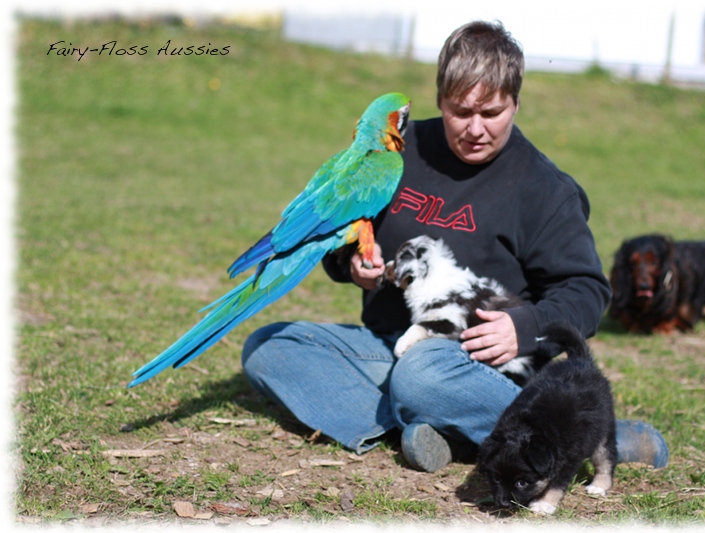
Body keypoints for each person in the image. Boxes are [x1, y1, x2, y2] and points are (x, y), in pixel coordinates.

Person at [241, 20, 668, 473]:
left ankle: (581, 436)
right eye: (461, 112)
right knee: (269, 347)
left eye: (493, 113)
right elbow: (332, 230)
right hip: (388, 345)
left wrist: (523, 327)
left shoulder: (546, 189)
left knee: (421, 374)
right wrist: (350, 262)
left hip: (470, 365)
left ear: (516, 103)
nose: (476, 129)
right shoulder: (397, 152)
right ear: (441, 100)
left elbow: (587, 292)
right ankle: (438, 428)